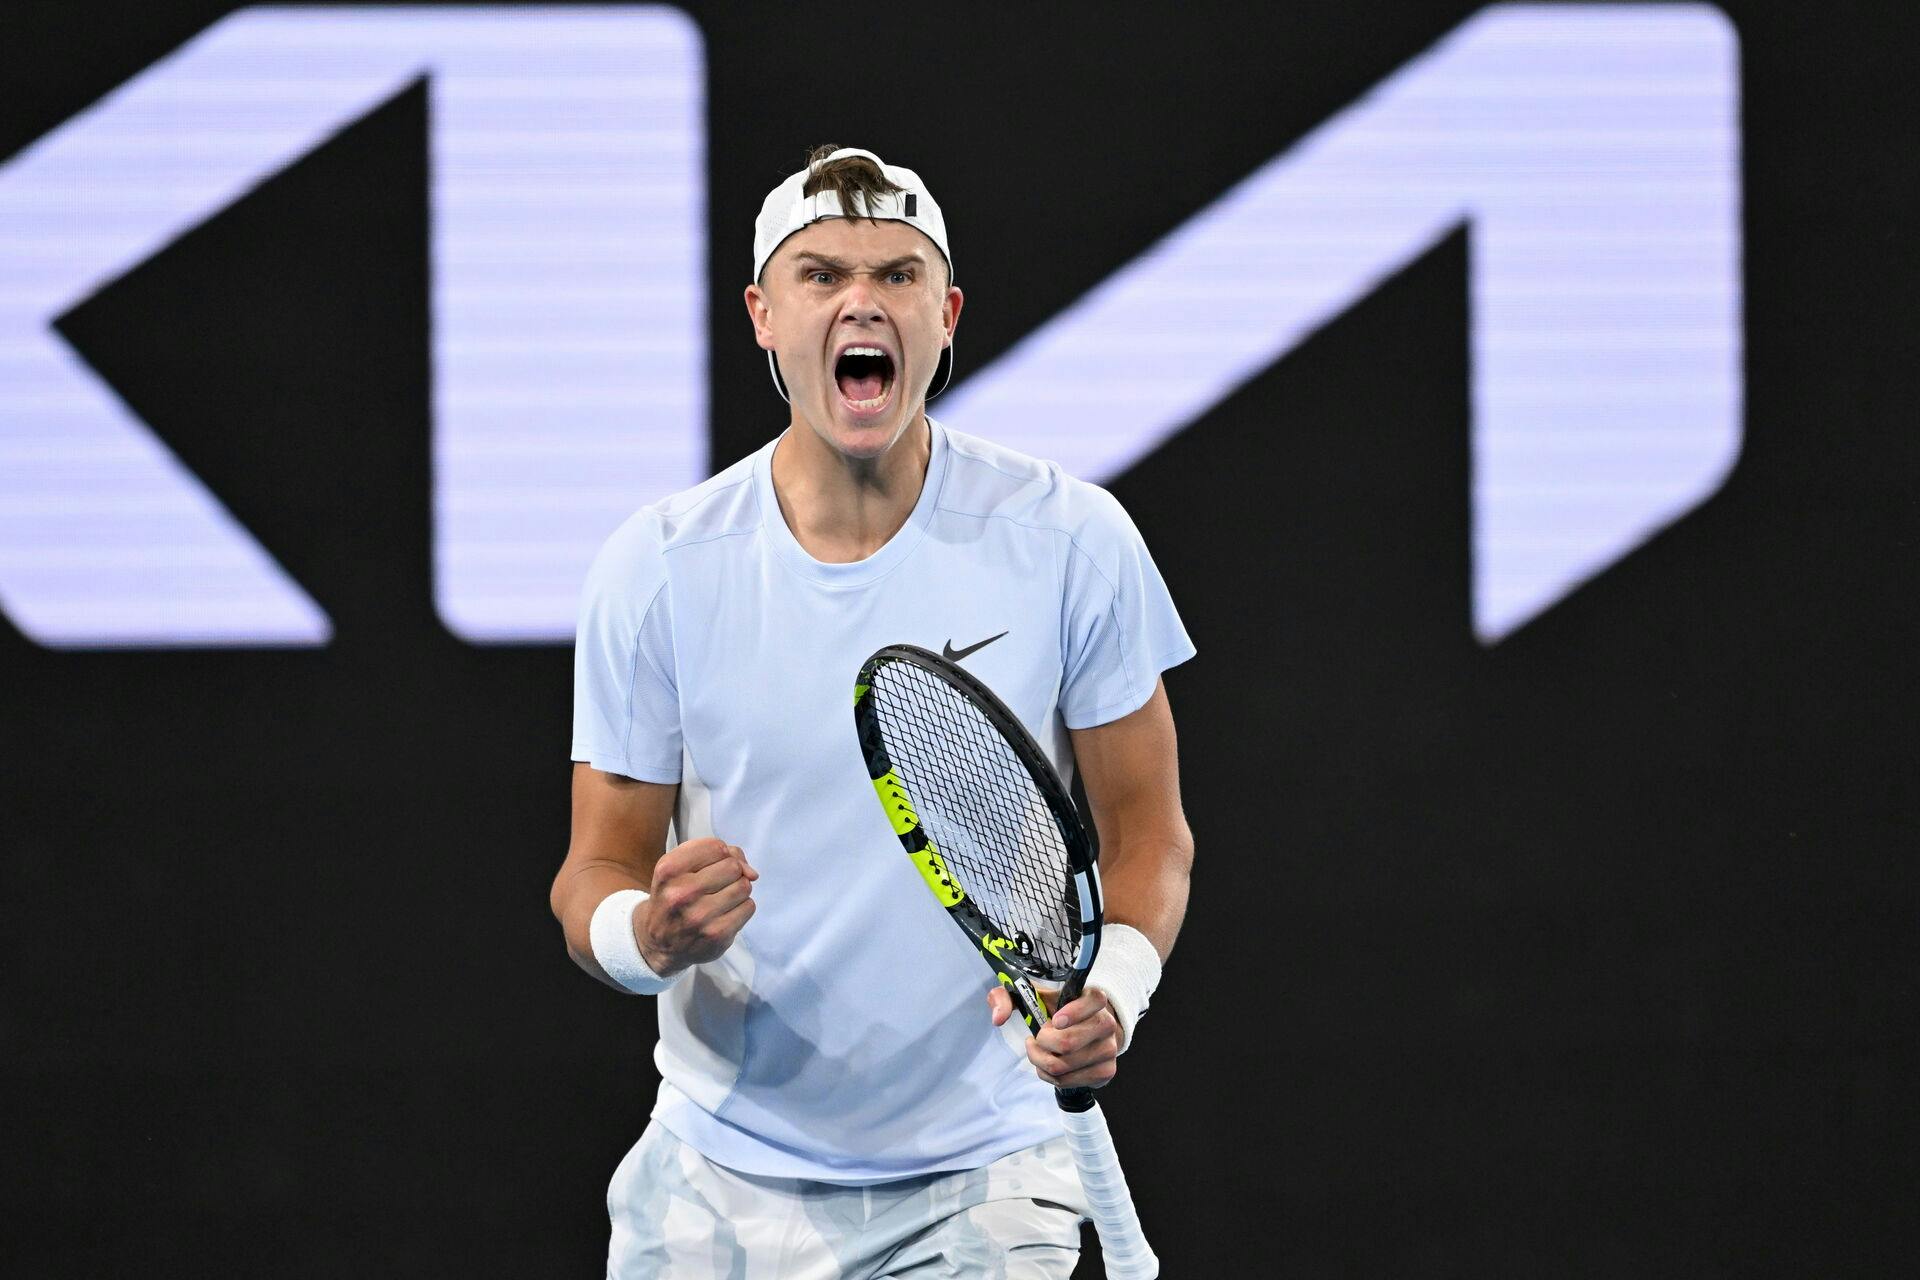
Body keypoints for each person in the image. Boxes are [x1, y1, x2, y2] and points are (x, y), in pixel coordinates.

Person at [549, 144, 1196, 1278]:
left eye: (898, 276)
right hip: (715, 1178)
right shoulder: (658, 566)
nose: (863, 300)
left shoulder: (1071, 540)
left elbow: (1151, 837)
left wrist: (1114, 990)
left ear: (945, 316)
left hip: (985, 1177)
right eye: (822, 274)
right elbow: (591, 870)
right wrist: (647, 933)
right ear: (762, 314)